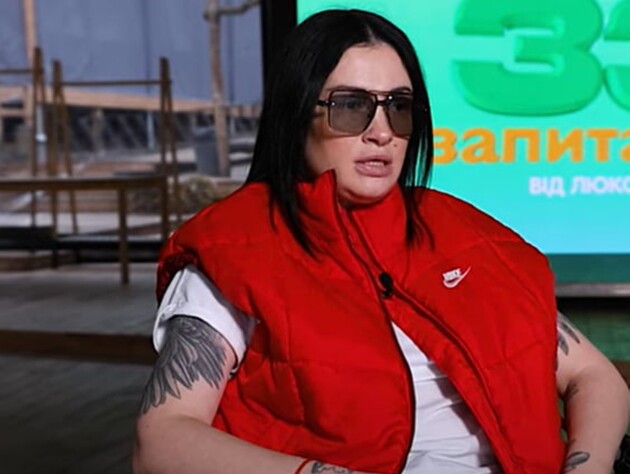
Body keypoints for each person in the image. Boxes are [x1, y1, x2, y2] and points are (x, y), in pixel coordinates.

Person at [133, 9, 629, 474]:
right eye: (351, 106)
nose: (381, 132)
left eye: (399, 107)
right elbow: (163, 438)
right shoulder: (233, 250)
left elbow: (593, 375)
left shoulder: (465, 236)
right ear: (297, 112)